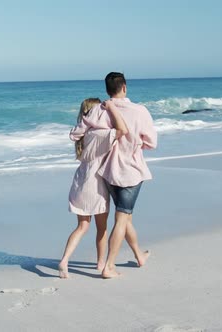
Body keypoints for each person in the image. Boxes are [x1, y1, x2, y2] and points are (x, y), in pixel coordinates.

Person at [70, 72, 157, 279]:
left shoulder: (99, 111)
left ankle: (139, 255)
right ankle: (108, 266)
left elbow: (76, 133)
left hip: (108, 172)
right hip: (131, 172)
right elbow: (151, 143)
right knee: (122, 218)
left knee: (126, 217)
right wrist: (135, 145)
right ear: (124, 87)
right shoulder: (140, 111)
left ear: (107, 90)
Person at [58, 97, 146, 278]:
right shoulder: (101, 134)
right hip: (96, 185)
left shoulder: (83, 136)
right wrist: (112, 108)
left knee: (82, 226)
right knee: (102, 228)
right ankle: (101, 263)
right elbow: (123, 130)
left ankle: (64, 260)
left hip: (79, 183)